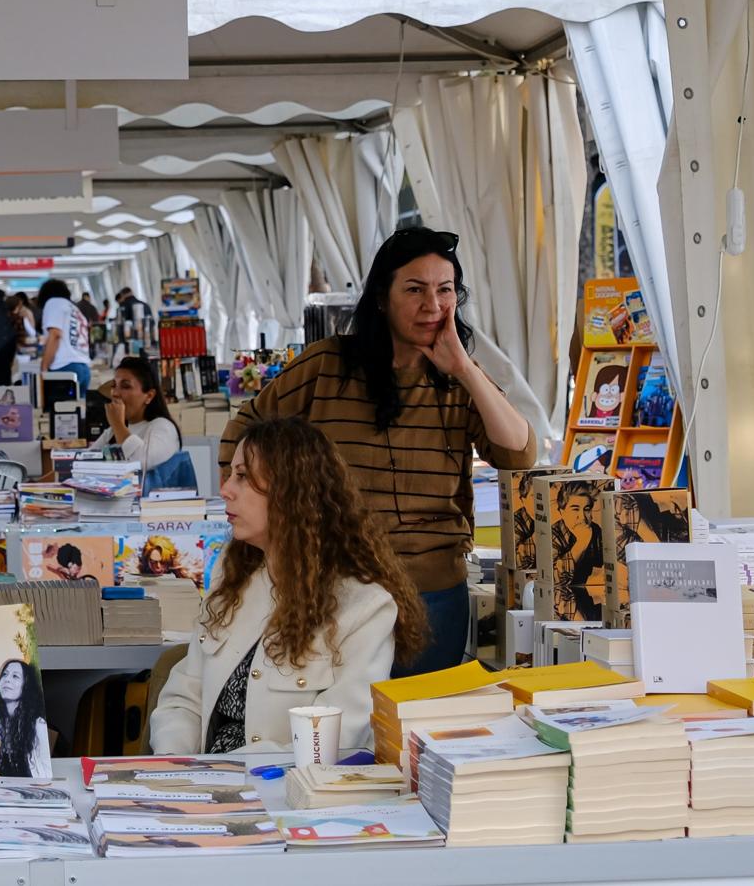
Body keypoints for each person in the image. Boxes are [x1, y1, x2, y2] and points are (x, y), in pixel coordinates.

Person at [218, 227, 536, 676]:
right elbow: (245, 429)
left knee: (412, 728)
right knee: (342, 728)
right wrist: (261, 508)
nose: (432, 305)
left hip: (434, 593)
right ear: (383, 298)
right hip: (335, 587)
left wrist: (463, 368)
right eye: (415, 289)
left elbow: (519, 456)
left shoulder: (459, 380)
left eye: (445, 290)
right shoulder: (327, 364)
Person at [150, 417, 427, 755]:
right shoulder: (234, 576)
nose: (225, 490)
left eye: (243, 477)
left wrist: (222, 774)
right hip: (204, 784)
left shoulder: (365, 607)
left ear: (290, 493)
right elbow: (184, 696)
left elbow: (332, 744)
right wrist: (176, 765)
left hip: (285, 794)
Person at [89, 356, 182, 474]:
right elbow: (88, 459)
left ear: (149, 396)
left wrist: (118, 424)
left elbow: (140, 461)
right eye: (114, 386)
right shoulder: (112, 432)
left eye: (126, 386)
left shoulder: (162, 427)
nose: (116, 393)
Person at [0, 658, 51, 777]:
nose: (7, 679)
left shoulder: (38, 725)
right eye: (5, 674)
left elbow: (47, 773)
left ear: (25, 686)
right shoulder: (1, 727)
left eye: (15, 676)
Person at [38, 279, 91, 395]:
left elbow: (55, 334)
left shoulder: (53, 303)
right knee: (77, 411)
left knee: (58, 411)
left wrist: (44, 367)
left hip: (64, 367)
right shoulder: (74, 308)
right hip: (84, 367)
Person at [113, 287, 153, 359]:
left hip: (132, 345)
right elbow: (152, 323)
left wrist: (121, 343)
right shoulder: (145, 305)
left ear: (122, 295)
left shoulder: (122, 307)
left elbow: (120, 327)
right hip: (148, 342)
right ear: (132, 292)